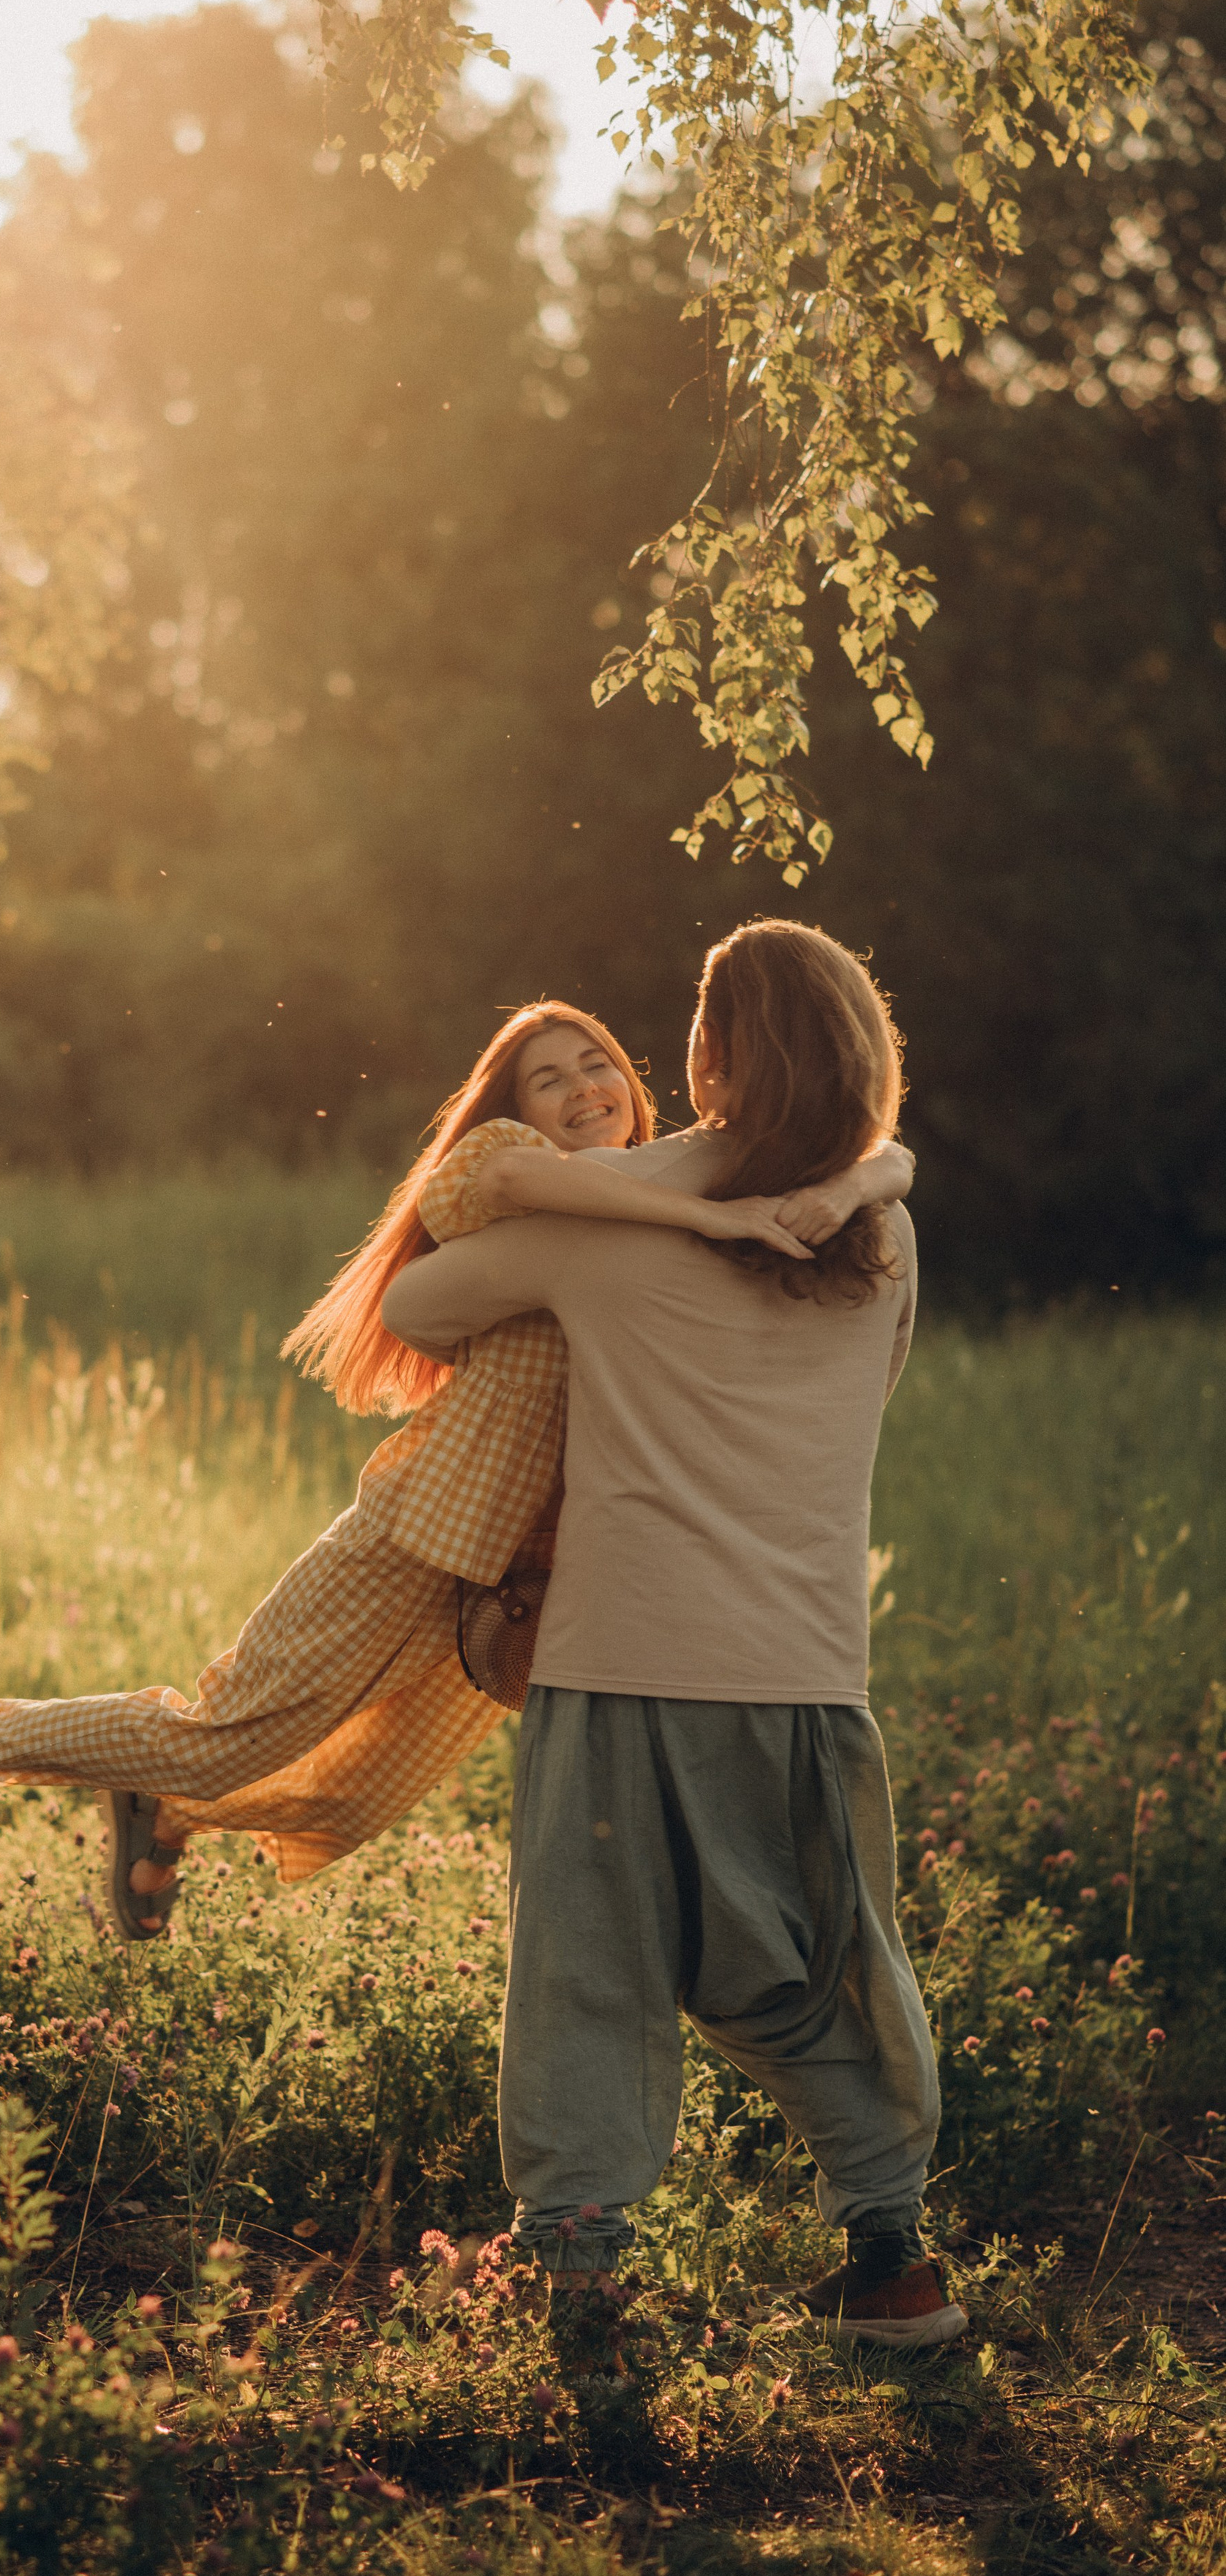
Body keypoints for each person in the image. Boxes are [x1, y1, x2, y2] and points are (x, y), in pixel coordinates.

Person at [0, 1000, 911, 1940]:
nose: (582, 1088)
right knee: (227, 1736)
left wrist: (860, 1180)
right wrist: (710, 1216)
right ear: (516, 1109)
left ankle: (167, 1808)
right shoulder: (513, 1167)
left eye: (598, 1064)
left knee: (356, 1792)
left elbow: (886, 1155)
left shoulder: (665, 1184)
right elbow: (514, 1179)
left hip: (531, 1577)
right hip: (425, 1527)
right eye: (548, 1079)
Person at [380, 921, 960, 2354]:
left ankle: (582, 2293)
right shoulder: (883, 1234)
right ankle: (890, 2258)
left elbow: (415, 1306)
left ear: (707, 1057)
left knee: (592, 1973)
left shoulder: (616, 1210)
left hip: (622, 1654)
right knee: (810, 1969)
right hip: (804, 1668)